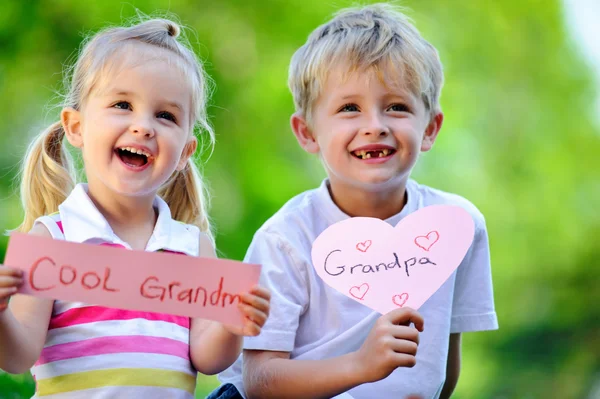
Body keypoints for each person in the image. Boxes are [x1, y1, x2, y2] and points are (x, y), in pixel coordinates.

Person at [211, 3, 497, 399]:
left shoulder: (457, 227)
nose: (374, 126)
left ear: (429, 128)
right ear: (308, 133)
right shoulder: (285, 238)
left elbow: (442, 367)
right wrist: (360, 366)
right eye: (349, 108)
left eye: (397, 107)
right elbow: (260, 382)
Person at [0, 17, 270, 398]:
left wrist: (234, 324)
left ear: (185, 153)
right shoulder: (51, 241)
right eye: (122, 105)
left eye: (166, 116)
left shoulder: (192, 245)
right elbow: (16, 356)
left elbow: (209, 359)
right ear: (75, 127)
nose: (143, 127)